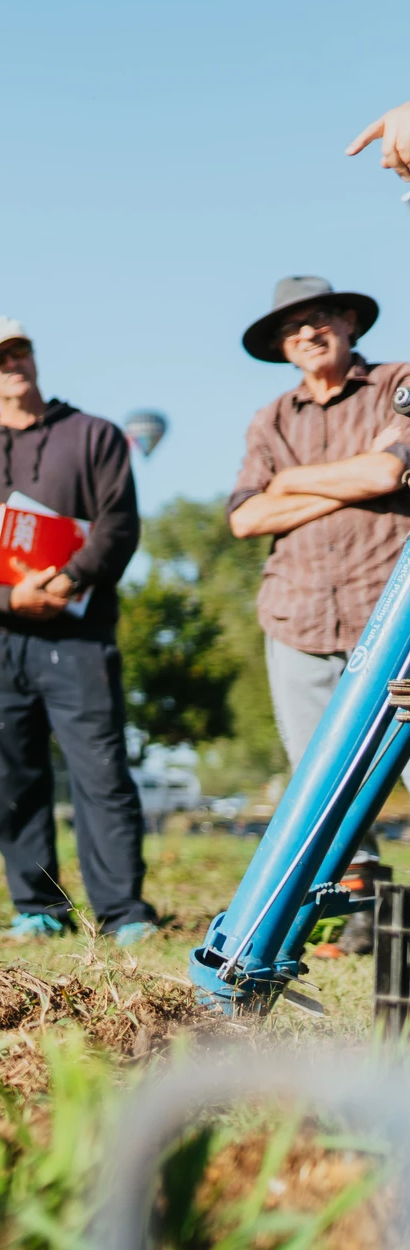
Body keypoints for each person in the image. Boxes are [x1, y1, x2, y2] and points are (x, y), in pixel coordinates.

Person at [0, 317, 155, 944]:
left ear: (34, 357)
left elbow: (119, 523)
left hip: (78, 634)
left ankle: (123, 911)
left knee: (101, 768)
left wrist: (69, 579)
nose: (12, 364)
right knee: (6, 771)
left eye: (19, 351)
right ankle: (38, 906)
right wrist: (6, 594)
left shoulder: (94, 437)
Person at [228, 276, 404, 955]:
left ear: (350, 324)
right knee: (320, 773)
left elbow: (392, 472)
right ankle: (360, 908)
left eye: (322, 315)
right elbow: (246, 516)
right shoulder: (271, 418)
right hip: (296, 613)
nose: (308, 331)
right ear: (281, 345)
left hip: (388, 608)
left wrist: (293, 481)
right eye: (292, 325)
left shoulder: (396, 383)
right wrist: (349, 480)